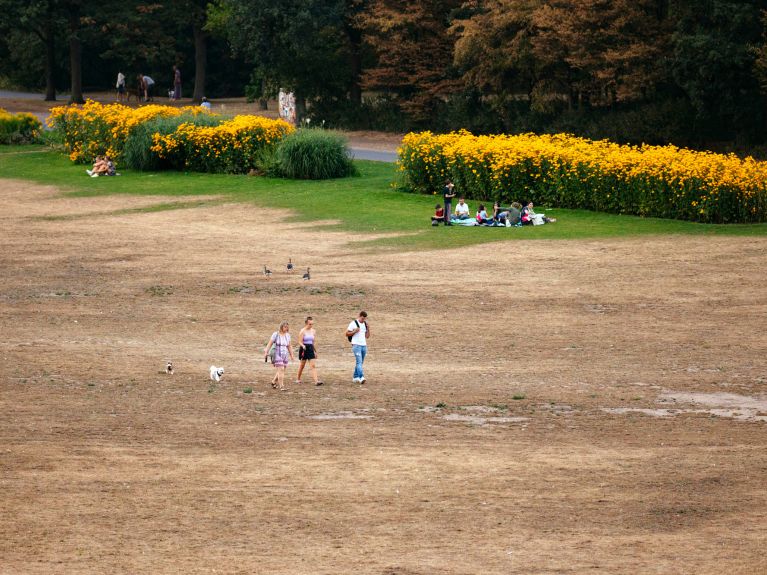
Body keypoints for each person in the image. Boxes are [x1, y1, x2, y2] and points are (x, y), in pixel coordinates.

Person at [264, 321, 295, 391]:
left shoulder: (288, 335)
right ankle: (282, 386)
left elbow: (289, 346)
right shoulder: (276, 334)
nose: (286, 328)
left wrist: (292, 355)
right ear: (281, 327)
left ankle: (273, 381)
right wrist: (266, 351)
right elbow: (269, 343)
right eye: (285, 327)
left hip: (285, 354)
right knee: (281, 369)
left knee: (282, 370)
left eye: (287, 327)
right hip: (277, 354)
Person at [296, 316, 323, 386]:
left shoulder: (313, 331)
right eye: (310, 324)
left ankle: (316, 381)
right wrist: (303, 345)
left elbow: (313, 342)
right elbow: (299, 341)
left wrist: (315, 351)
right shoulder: (302, 331)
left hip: (310, 348)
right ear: (306, 323)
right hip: (304, 348)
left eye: (312, 324)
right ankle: (298, 378)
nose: (311, 325)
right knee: (302, 365)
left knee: (313, 365)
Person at [346, 311, 370, 384]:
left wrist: (368, 328)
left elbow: (367, 336)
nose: (363, 320)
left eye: (364, 319)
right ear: (359, 316)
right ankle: (361, 377)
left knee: (360, 362)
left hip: (363, 345)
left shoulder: (365, 324)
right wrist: (354, 332)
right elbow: (346, 333)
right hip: (356, 345)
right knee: (359, 362)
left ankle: (355, 377)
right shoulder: (353, 323)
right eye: (362, 318)